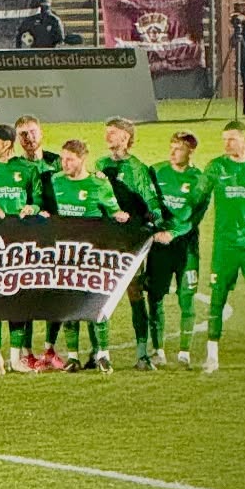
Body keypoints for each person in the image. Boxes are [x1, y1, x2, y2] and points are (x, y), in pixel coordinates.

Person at [40, 140, 128, 374]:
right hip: (65, 255)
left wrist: (120, 216)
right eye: (63, 158)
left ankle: (103, 354)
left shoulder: (98, 184)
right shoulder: (55, 181)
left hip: (91, 257)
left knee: (95, 304)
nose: (65, 163)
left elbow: (113, 210)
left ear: (82, 159)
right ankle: (72, 357)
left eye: (70, 159)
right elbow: (45, 208)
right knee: (69, 305)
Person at [0, 124, 45, 374]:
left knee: (17, 297)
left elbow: (39, 202)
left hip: (19, 243)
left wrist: (30, 210)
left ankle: (15, 357)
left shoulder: (28, 169)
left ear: (7, 145)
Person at [95, 117, 164, 369]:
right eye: (106, 133)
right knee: (99, 292)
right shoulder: (100, 164)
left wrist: (155, 226)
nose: (107, 137)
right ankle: (99, 353)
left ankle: (142, 353)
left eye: (112, 133)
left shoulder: (137, 169)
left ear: (125, 137)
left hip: (130, 240)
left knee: (134, 293)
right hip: (105, 238)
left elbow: (151, 203)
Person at [147, 132, 209, 368]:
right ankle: (158, 351)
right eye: (171, 147)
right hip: (159, 249)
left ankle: (184, 352)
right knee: (155, 297)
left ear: (190, 151)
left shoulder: (200, 180)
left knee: (187, 298)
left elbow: (193, 217)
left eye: (178, 149)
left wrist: (172, 233)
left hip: (186, 249)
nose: (172, 153)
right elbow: (146, 202)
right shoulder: (157, 171)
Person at [202, 123, 245, 374]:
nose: (227, 144)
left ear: (244, 139)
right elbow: (197, 196)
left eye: (232, 139)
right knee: (218, 296)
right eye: (224, 139)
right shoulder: (216, 168)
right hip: (225, 244)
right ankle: (212, 355)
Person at [15, 114, 64, 368]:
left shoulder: (57, 162)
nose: (29, 138)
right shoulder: (14, 166)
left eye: (32, 132)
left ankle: (50, 348)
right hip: (28, 238)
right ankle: (25, 350)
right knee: (28, 292)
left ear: (41, 132)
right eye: (23, 134)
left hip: (56, 236)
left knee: (55, 291)